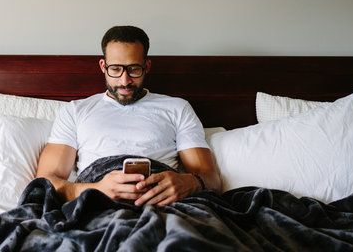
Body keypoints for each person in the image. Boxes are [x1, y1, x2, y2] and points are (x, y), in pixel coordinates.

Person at [36, 26, 221, 206]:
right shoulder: (75, 111)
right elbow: (45, 182)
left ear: (146, 66)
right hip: (95, 204)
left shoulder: (177, 108)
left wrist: (188, 182)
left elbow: (211, 179)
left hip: (162, 204)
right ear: (103, 66)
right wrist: (95, 189)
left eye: (134, 69)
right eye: (115, 69)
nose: (125, 81)